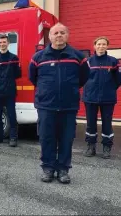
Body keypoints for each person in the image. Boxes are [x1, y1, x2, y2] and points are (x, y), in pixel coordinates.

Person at [28, 23, 90, 184]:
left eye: (62, 32)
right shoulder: (38, 58)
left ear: (67, 35)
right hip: (46, 106)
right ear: (50, 37)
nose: (59, 35)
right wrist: (46, 90)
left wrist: (70, 90)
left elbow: (83, 77)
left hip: (68, 106)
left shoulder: (78, 57)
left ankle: (63, 169)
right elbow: (32, 78)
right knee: (47, 138)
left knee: (66, 138)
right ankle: (48, 168)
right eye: (56, 33)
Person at [82, 37, 121, 159]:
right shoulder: (88, 61)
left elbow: (118, 79)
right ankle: (91, 146)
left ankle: (106, 148)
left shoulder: (113, 61)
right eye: (99, 44)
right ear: (94, 46)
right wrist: (88, 88)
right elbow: (82, 77)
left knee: (107, 124)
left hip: (108, 98)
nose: (101, 46)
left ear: (107, 46)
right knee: (90, 124)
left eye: (104, 44)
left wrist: (110, 88)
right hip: (90, 97)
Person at [0, 34, 22, 147]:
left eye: (4, 42)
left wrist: (7, 81)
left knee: (11, 115)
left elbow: (18, 74)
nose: (2, 44)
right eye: (0, 42)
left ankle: (13, 138)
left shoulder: (14, 58)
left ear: (8, 43)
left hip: (9, 91)